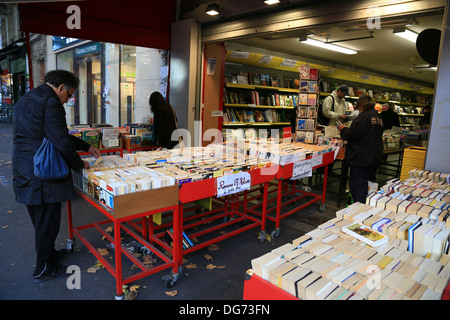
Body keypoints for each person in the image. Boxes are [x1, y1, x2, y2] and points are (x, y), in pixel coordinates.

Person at [12, 70, 100, 283]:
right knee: (47, 223)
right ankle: (43, 268)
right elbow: (60, 140)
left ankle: (50, 255)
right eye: (68, 95)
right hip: (42, 174)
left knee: (41, 221)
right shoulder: (51, 103)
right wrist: (79, 164)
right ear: (60, 88)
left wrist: (86, 145)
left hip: (26, 169)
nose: (67, 100)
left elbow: (57, 134)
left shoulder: (29, 98)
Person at [337, 95, 383, 204]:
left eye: (358, 107)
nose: (358, 110)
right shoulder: (378, 117)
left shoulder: (363, 118)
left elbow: (351, 135)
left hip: (361, 158)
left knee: (358, 186)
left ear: (361, 105)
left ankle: (359, 209)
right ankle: (369, 205)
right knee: (370, 185)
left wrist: (343, 129)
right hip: (374, 157)